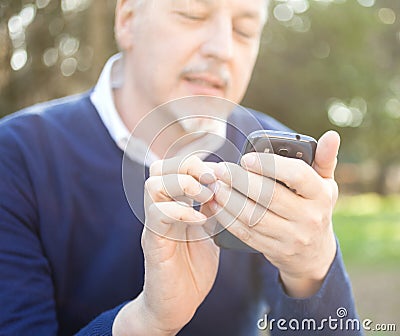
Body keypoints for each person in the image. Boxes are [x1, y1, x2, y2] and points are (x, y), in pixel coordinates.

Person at [0, 0, 363, 335]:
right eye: (192, 14)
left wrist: (313, 272)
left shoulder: (273, 160)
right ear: (127, 21)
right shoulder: (17, 156)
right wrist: (145, 321)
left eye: (245, 30)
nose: (222, 49)